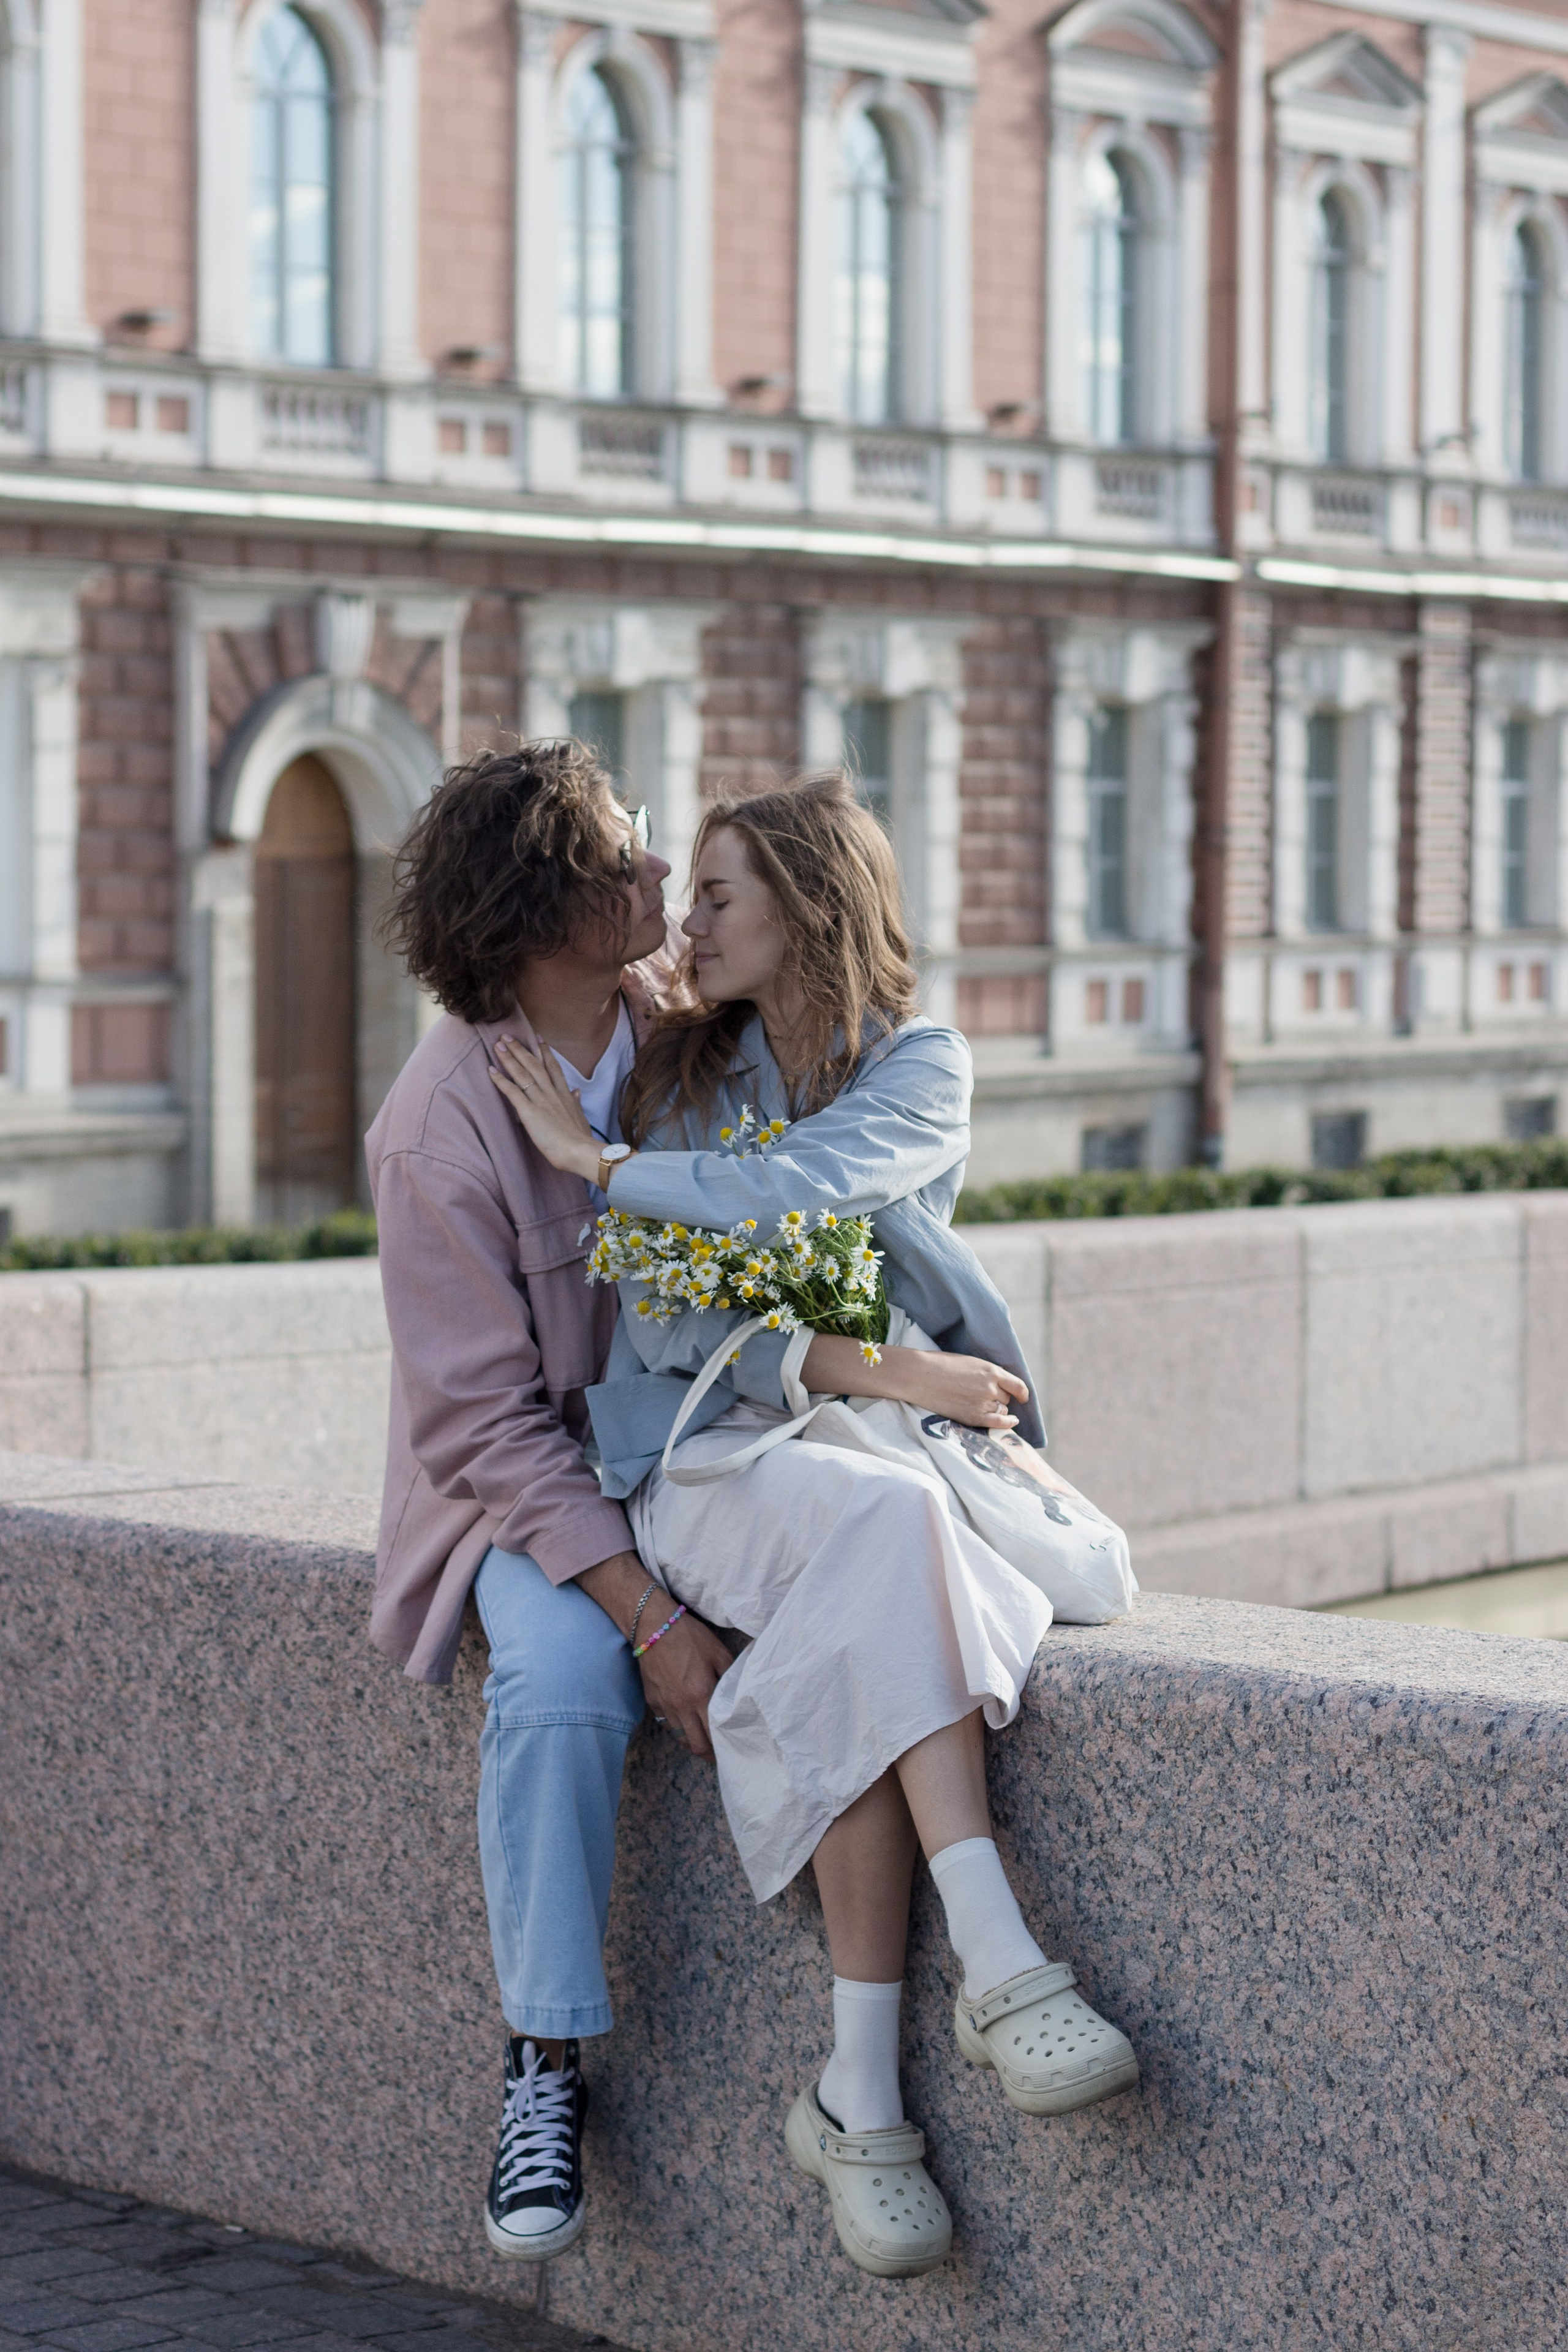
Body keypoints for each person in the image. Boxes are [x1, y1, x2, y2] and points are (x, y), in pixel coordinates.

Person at [488, 774, 1139, 2283]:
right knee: (882, 1527)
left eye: (717, 897)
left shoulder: (916, 1066)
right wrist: (873, 1361)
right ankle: (999, 1962)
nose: (683, 926)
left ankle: (860, 2092)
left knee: (872, 1576)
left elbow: (798, 1195)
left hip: (858, 1467)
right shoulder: (674, 1081)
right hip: (704, 1462)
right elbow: (661, 1313)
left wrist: (614, 1179)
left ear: (807, 905)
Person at [366, 741, 736, 2263]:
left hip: (697, 1455)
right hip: (519, 1501)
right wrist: (646, 1613)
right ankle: (541, 2059)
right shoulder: (437, 1126)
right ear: (540, 911)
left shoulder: (685, 1037)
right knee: (568, 1679)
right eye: (625, 853)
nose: (659, 872)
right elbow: (486, 1432)